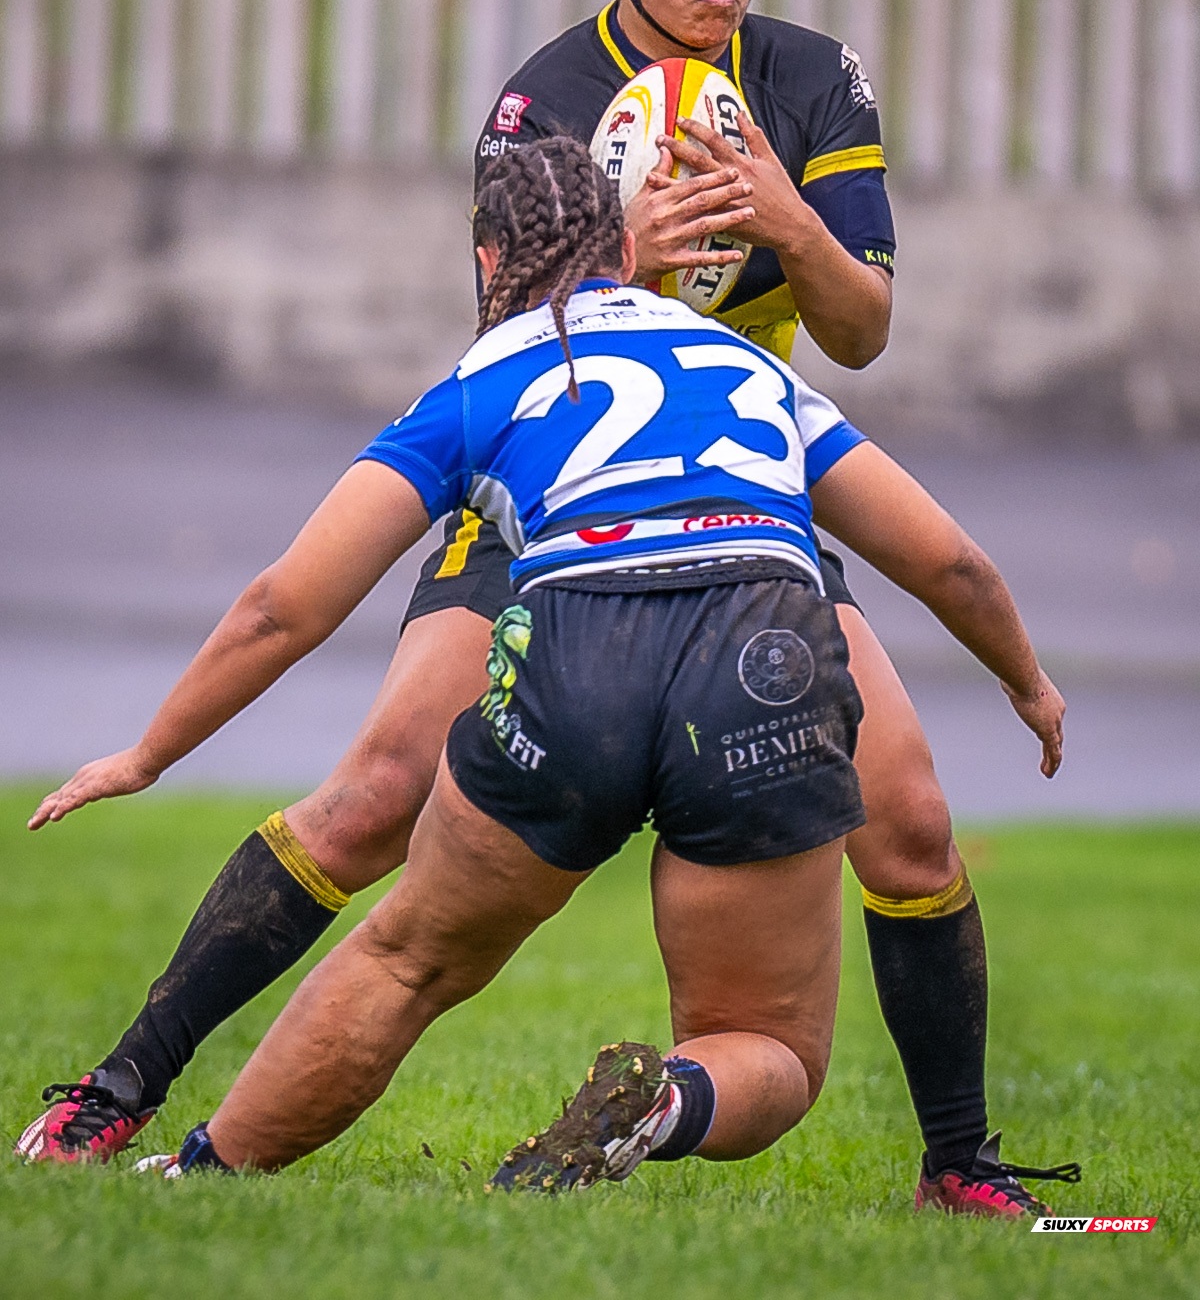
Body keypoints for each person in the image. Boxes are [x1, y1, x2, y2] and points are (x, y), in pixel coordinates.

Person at [19, 0, 1065, 1218]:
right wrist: (625, 245)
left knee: (911, 822)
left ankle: (961, 1168)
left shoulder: (812, 80)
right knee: (379, 788)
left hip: (747, 478)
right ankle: (114, 1091)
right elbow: (511, 347)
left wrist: (786, 219)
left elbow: (864, 331)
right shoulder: (545, 98)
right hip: (552, 474)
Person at [110, 139, 1069, 1201]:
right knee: (764, 1045)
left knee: (407, 959)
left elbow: (284, 606)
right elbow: (949, 561)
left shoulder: (485, 378)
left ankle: (198, 1170)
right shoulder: (747, 366)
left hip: (576, 648)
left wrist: (149, 753)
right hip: (767, 656)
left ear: (488, 261)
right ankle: (662, 1104)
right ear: (627, 245)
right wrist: (1026, 682)